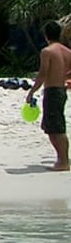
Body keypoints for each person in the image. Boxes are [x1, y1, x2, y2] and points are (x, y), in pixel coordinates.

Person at [25, 21, 71, 171]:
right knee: (58, 126)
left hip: (52, 91)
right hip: (61, 91)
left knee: (54, 128)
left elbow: (43, 74)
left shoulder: (47, 51)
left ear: (46, 35)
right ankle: (63, 160)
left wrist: (32, 91)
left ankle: (62, 161)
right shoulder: (67, 52)